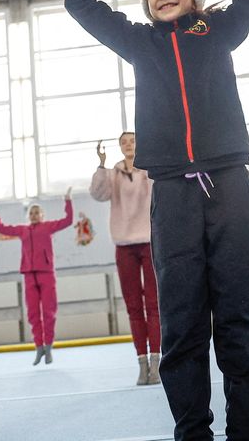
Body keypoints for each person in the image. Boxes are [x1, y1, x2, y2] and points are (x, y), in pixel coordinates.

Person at [64, 0, 249, 438]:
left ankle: (246, 427)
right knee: (183, 321)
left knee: (236, 316)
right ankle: (192, 430)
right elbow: (79, 2)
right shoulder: (138, 43)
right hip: (172, 195)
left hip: (229, 186)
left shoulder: (219, 29)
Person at [89, 132, 160, 386]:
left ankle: (156, 362)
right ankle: (141, 362)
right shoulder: (112, 174)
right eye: (124, 142)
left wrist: (147, 163)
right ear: (119, 147)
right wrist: (101, 165)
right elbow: (98, 194)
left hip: (149, 242)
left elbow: (160, 191)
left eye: (132, 141)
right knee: (133, 306)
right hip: (124, 245)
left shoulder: (149, 170)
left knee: (154, 304)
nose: (128, 145)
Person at [0, 188, 74, 365]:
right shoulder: (23, 230)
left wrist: (68, 201)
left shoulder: (48, 227)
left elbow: (68, 220)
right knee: (33, 314)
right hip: (29, 275)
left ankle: (48, 347)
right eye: (31, 213)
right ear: (28, 216)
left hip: (46, 274)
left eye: (37, 212)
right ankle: (39, 347)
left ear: (42, 215)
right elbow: (2, 228)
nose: (34, 215)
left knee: (49, 312)